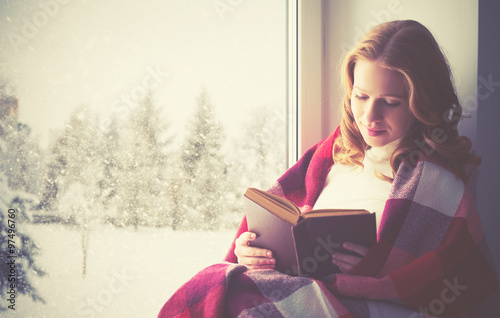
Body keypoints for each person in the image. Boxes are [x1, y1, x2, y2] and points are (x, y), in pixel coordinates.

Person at [159, 20, 499, 318]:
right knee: (215, 284)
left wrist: (374, 271)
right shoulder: (331, 154)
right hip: (297, 288)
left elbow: (466, 285)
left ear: (421, 102)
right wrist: (252, 250)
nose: (370, 116)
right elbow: (283, 225)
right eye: (361, 96)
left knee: (242, 307)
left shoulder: (436, 185)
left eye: (391, 103)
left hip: (361, 304)